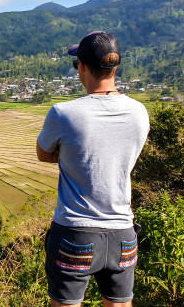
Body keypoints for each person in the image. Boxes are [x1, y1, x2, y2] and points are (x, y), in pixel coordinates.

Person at [36, 31, 150, 307]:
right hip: (123, 232)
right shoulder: (139, 112)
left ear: (83, 68)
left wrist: (72, 155)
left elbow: (43, 154)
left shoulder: (64, 113)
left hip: (76, 233)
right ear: (115, 67)